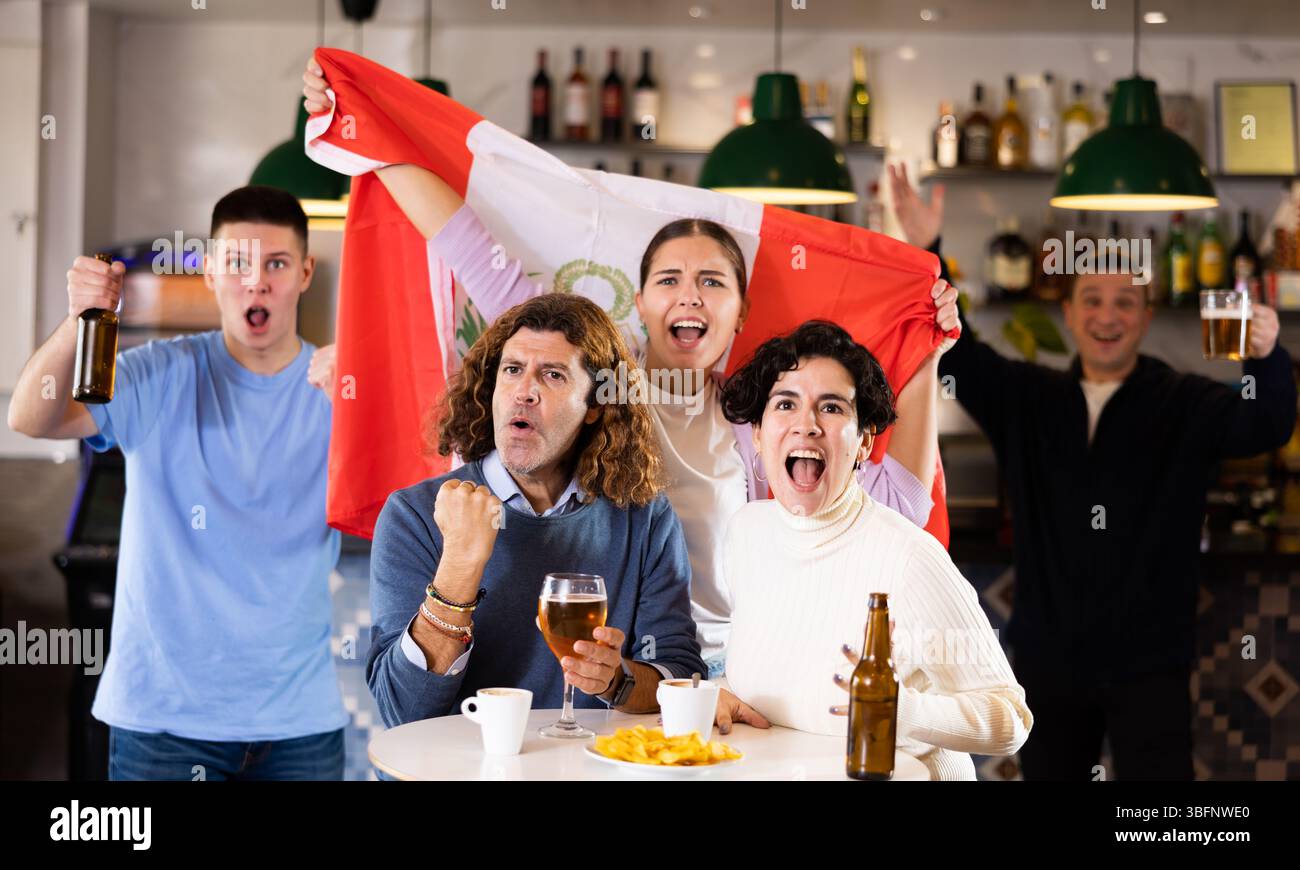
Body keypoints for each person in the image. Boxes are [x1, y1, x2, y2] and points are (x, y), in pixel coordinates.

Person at [300, 56, 960, 678]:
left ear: (740, 310)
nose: (690, 296)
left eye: (712, 282)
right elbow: (468, 246)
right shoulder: (586, 373)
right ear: (641, 303)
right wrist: (362, 126)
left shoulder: (759, 422)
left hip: (735, 675)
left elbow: (901, 499)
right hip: (602, 669)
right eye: (670, 280)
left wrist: (927, 347)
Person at [889, 163, 1298, 780]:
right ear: (1071, 314)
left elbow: (1264, 425)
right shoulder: (1029, 398)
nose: (1108, 316)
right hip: (1049, 657)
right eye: (1093, 300)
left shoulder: (1183, 400)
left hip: (1151, 660)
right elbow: (960, 351)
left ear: (1147, 314)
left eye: (1125, 302)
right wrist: (929, 251)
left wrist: (1266, 362)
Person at [7, 187, 347, 780]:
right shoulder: (156, 373)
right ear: (211, 273)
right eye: (237, 263)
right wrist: (79, 318)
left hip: (299, 723)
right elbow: (31, 416)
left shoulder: (335, 387)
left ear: (304, 273)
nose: (256, 282)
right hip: (162, 721)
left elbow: (429, 472)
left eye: (276, 264)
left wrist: (368, 392)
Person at [709, 321, 1033, 781]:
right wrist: (720, 693)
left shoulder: (907, 558)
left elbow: (1010, 719)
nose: (807, 425)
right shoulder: (746, 533)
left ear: (864, 441)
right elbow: (782, 667)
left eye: (832, 407)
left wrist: (903, 710)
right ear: (758, 436)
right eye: (785, 404)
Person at [367, 292, 706, 727]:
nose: (524, 392)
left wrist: (615, 681)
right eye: (512, 371)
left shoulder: (645, 518)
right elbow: (403, 710)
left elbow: (679, 677)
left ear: (595, 406)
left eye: (552, 375)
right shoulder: (414, 515)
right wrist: (459, 567)